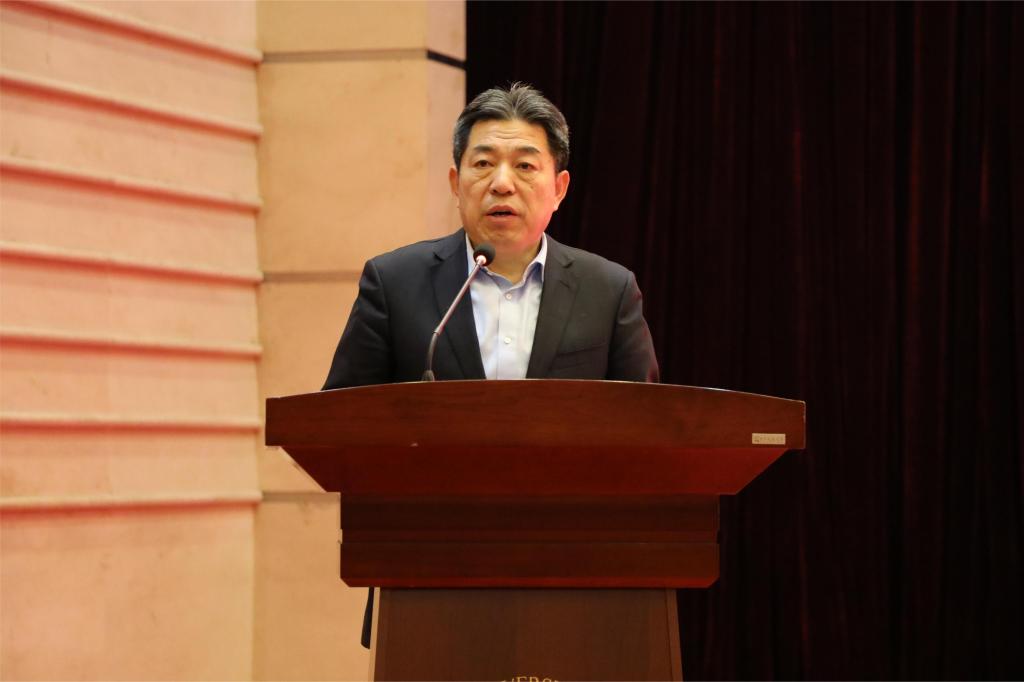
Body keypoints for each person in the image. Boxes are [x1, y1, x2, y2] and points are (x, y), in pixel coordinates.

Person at [322, 83, 659, 648]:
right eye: (483, 164)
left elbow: (649, 436)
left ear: (559, 188)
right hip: (429, 574)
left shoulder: (608, 289)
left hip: (578, 574)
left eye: (525, 165)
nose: (502, 182)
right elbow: (338, 423)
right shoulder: (396, 283)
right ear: (456, 183)